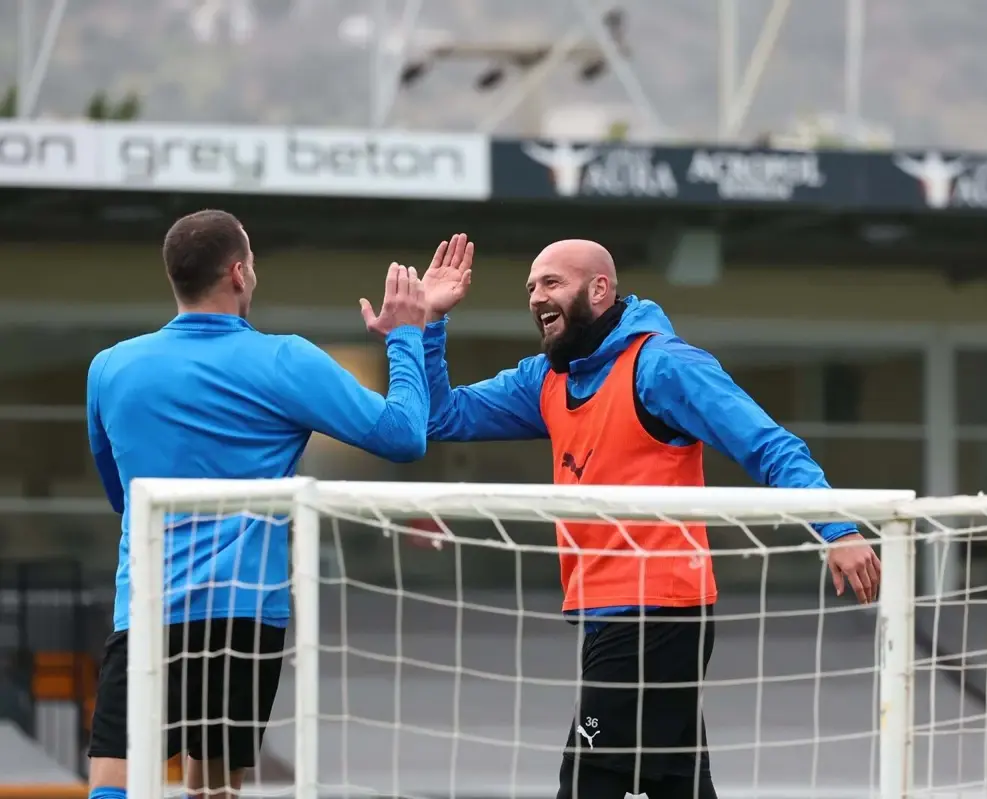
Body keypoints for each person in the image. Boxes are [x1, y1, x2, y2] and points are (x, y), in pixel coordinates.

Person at [418, 234, 883, 799]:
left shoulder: (662, 365)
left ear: (599, 289)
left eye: (552, 282)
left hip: (659, 611)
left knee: (587, 782)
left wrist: (837, 527)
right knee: (679, 787)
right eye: (531, 286)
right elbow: (441, 416)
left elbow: (768, 444)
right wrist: (430, 322)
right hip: (607, 614)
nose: (537, 296)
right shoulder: (546, 378)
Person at [85, 209, 430, 799]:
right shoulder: (285, 360)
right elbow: (404, 435)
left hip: (147, 608)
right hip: (243, 616)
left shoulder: (110, 367)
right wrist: (405, 337)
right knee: (214, 789)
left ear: (175, 276)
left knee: (113, 781)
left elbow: (126, 498)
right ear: (239, 273)